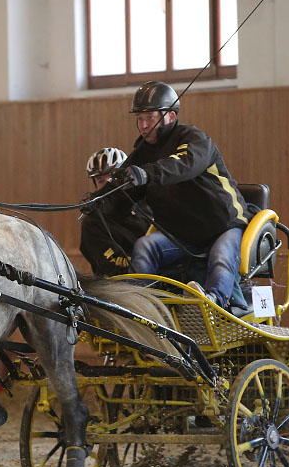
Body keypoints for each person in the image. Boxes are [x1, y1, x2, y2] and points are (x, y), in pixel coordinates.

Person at [108, 81, 251, 308]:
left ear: (171, 117)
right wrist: (99, 202)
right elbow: (121, 190)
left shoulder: (195, 140)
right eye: (139, 119)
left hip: (224, 227)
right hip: (183, 237)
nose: (143, 126)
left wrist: (146, 173)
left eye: (150, 118)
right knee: (145, 245)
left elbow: (183, 165)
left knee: (222, 256)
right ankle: (138, 305)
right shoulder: (143, 152)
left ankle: (212, 304)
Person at [78, 147, 150, 276]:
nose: (107, 186)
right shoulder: (93, 224)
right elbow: (113, 269)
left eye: (113, 178)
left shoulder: (146, 202)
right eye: (101, 181)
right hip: (123, 287)